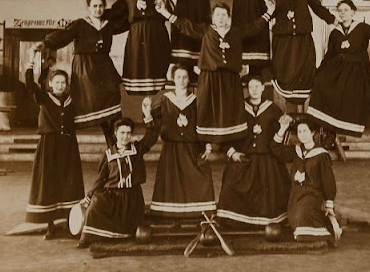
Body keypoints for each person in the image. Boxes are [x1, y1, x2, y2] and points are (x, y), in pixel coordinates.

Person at [156, 0, 275, 144]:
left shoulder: (236, 32)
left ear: (229, 17)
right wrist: (164, 12)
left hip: (230, 78)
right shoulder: (206, 30)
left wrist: (269, 11)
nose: (221, 18)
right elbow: (184, 25)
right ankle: (209, 143)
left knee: (230, 110)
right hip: (209, 77)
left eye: (224, 15)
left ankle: (229, 143)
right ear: (213, 17)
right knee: (208, 108)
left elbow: (255, 27)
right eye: (218, 15)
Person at [307, 0, 370, 137]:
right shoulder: (335, 33)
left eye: (346, 10)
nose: (342, 13)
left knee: (355, 96)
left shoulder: (363, 28)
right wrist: (318, 74)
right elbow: (329, 55)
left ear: (353, 12)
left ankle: (343, 129)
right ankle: (330, 130)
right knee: (322, 83)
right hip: (338, 71)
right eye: (340, 11)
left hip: (357, 71)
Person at [40, 0, 128, 145]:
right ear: (88, 9)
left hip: (104, 65)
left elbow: (126, 20)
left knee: (112, 97)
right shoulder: (80, 24)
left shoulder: (109, 24)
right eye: (94, 6)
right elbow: (64, 36)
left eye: (101, 6)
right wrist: (46, 43)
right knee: (90, 99)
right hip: (85, 66)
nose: (98, 9)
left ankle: (114, 143)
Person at [24, 47, 84, 240]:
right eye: (56, 82)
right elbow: (29, 83)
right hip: (49, 146)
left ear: (66, 84)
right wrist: (31, 59)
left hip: (68, 146)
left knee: (69, 182)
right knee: (49, 183)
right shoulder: (44, 98)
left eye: (62, 82)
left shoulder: (71, 100)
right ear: (50, 84)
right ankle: (50, 225)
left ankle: (70, 223)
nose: (59, 85)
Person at [217, 76, 290, 229]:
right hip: (245, 158)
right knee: (231, 182)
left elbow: (281, 135)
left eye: (257, 86)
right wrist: (232, 153)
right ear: (247, 89)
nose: (254, 90)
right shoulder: (239, 108)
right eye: (251, 87)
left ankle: (270, 222)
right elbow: (226, 132)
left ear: (263, 88)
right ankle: (238, 222)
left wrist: (283, 129)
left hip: (267, 158)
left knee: (272, 189)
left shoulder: (272, 109)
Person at [145, 64, 216, 218]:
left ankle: (197, 213)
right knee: (171, 183)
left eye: (184, 77)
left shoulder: (196, 100)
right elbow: (154, 125)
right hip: (172, 149)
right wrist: (147, 114)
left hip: (192, 148)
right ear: (173, 79)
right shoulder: (165, 100)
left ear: (189, 79)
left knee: (199, 178)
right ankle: (171, 215)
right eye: (178, 77)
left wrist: (208, 144)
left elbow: (203, 123)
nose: (181, 80)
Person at [77, 117, 156, 248]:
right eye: (122, 133)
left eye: (128, 133)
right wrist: (89, 196)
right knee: (96, 202)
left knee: (134, 225)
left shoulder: (137, 150)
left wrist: (147, 116)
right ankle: (87, 238)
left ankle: (120, 234)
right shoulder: (109, 154)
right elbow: (100, 179)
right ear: (115, 133)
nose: (125, 137)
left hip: (132, 198)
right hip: (113, 196)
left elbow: (152, 136)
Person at [271, 0, 336, 107]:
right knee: (284, 70)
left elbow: (318, 8)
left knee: (305, 70)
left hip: (302, 39)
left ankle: (305, 117)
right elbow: (270, 13)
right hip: (283, 41)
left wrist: (333, 20)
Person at [270, 114, 341, 246]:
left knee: (303, 214)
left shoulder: (321, 155)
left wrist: (330, 204)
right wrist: (283, 128)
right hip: (296, 195)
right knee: (294, 217)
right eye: (299, 132)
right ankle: (319, 222)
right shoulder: (296, 151)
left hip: (313, 194)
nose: (302, 135)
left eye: (305, 131)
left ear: (312, 132)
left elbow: (328, 180)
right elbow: (276, 149)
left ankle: (327, 227)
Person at [106, 0, 170, 95]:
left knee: (156, 66)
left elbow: (169, 12)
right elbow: (116, 12)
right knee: (137, 64)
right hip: (136, 35)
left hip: (156, 33)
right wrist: (98, 15)